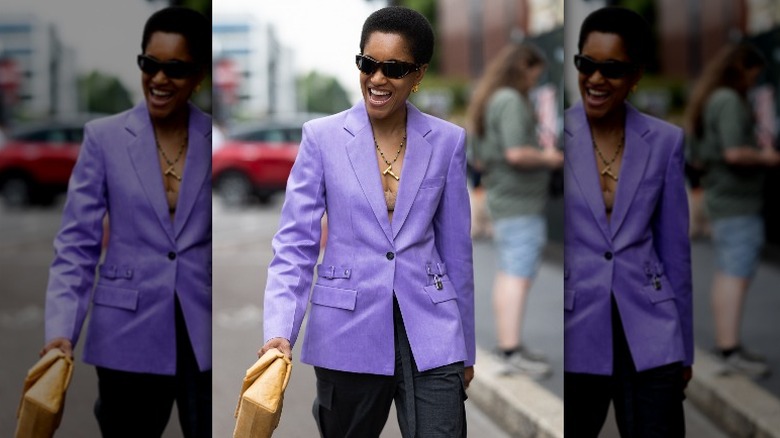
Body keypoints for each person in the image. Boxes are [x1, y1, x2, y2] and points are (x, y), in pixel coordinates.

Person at [259, 6, 474, 438]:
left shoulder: (448, 141)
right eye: (367, 63)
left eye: (393, 68)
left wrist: (465, 347)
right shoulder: (321, 138)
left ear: (419, 74)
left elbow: (457, 251)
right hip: (346, 329)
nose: (376, 78)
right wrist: (279, 331)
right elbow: (295, 246)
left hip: (432, 329)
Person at [40, 7, 212, 437]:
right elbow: (76, 246)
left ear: (198, 76)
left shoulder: (214, 137)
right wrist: (61, 331)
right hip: (126, 331)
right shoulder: (104, 139)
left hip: (203, 331)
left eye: (174, 68)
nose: (158, 78)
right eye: (149, 64)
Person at [563, 7, 692, 437]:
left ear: (635, 75)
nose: (596, 79)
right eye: (587, 64)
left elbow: (676, 251)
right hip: (575, 328)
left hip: (651, 331)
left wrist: (685, 350)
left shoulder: (666, 142)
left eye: (612, 69)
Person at [466, 42, 562, 377]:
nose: (536, 81)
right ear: (524, 67)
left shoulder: (492, 99)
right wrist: (549, 157)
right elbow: (516, 153)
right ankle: (510, 351)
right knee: (517, 276)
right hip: (518, 202)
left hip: (506, 199)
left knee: (510, 273)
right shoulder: (509, 100)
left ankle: (510, 346)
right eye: (535, 74)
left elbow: (480, 158)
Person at [684, 42, 780, 378]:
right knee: (734, 274)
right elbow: (734, 153)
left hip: (724, 199)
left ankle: (728, 346)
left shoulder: (712, 98)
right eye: (753, 74)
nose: (755, 82)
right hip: (735, 201)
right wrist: (766, 157)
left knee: (729, 272)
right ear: (743, 69)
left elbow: (697, 157)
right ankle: (729, 350)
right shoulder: (727, 100)